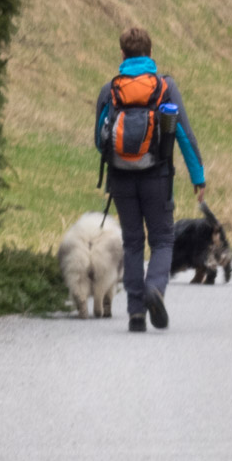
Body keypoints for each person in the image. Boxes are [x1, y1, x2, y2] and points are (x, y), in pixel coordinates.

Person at [93, 26, 207, 332]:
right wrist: (198, 176)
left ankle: (135, 313)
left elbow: (98, 140)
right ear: (151, 54)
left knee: (132, 243)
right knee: (162, 240)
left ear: (122, 55)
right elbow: (183, 133)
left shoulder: (110, 90)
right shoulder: (165, 88)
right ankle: (155, 288)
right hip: (158, 176)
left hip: (121, 178)